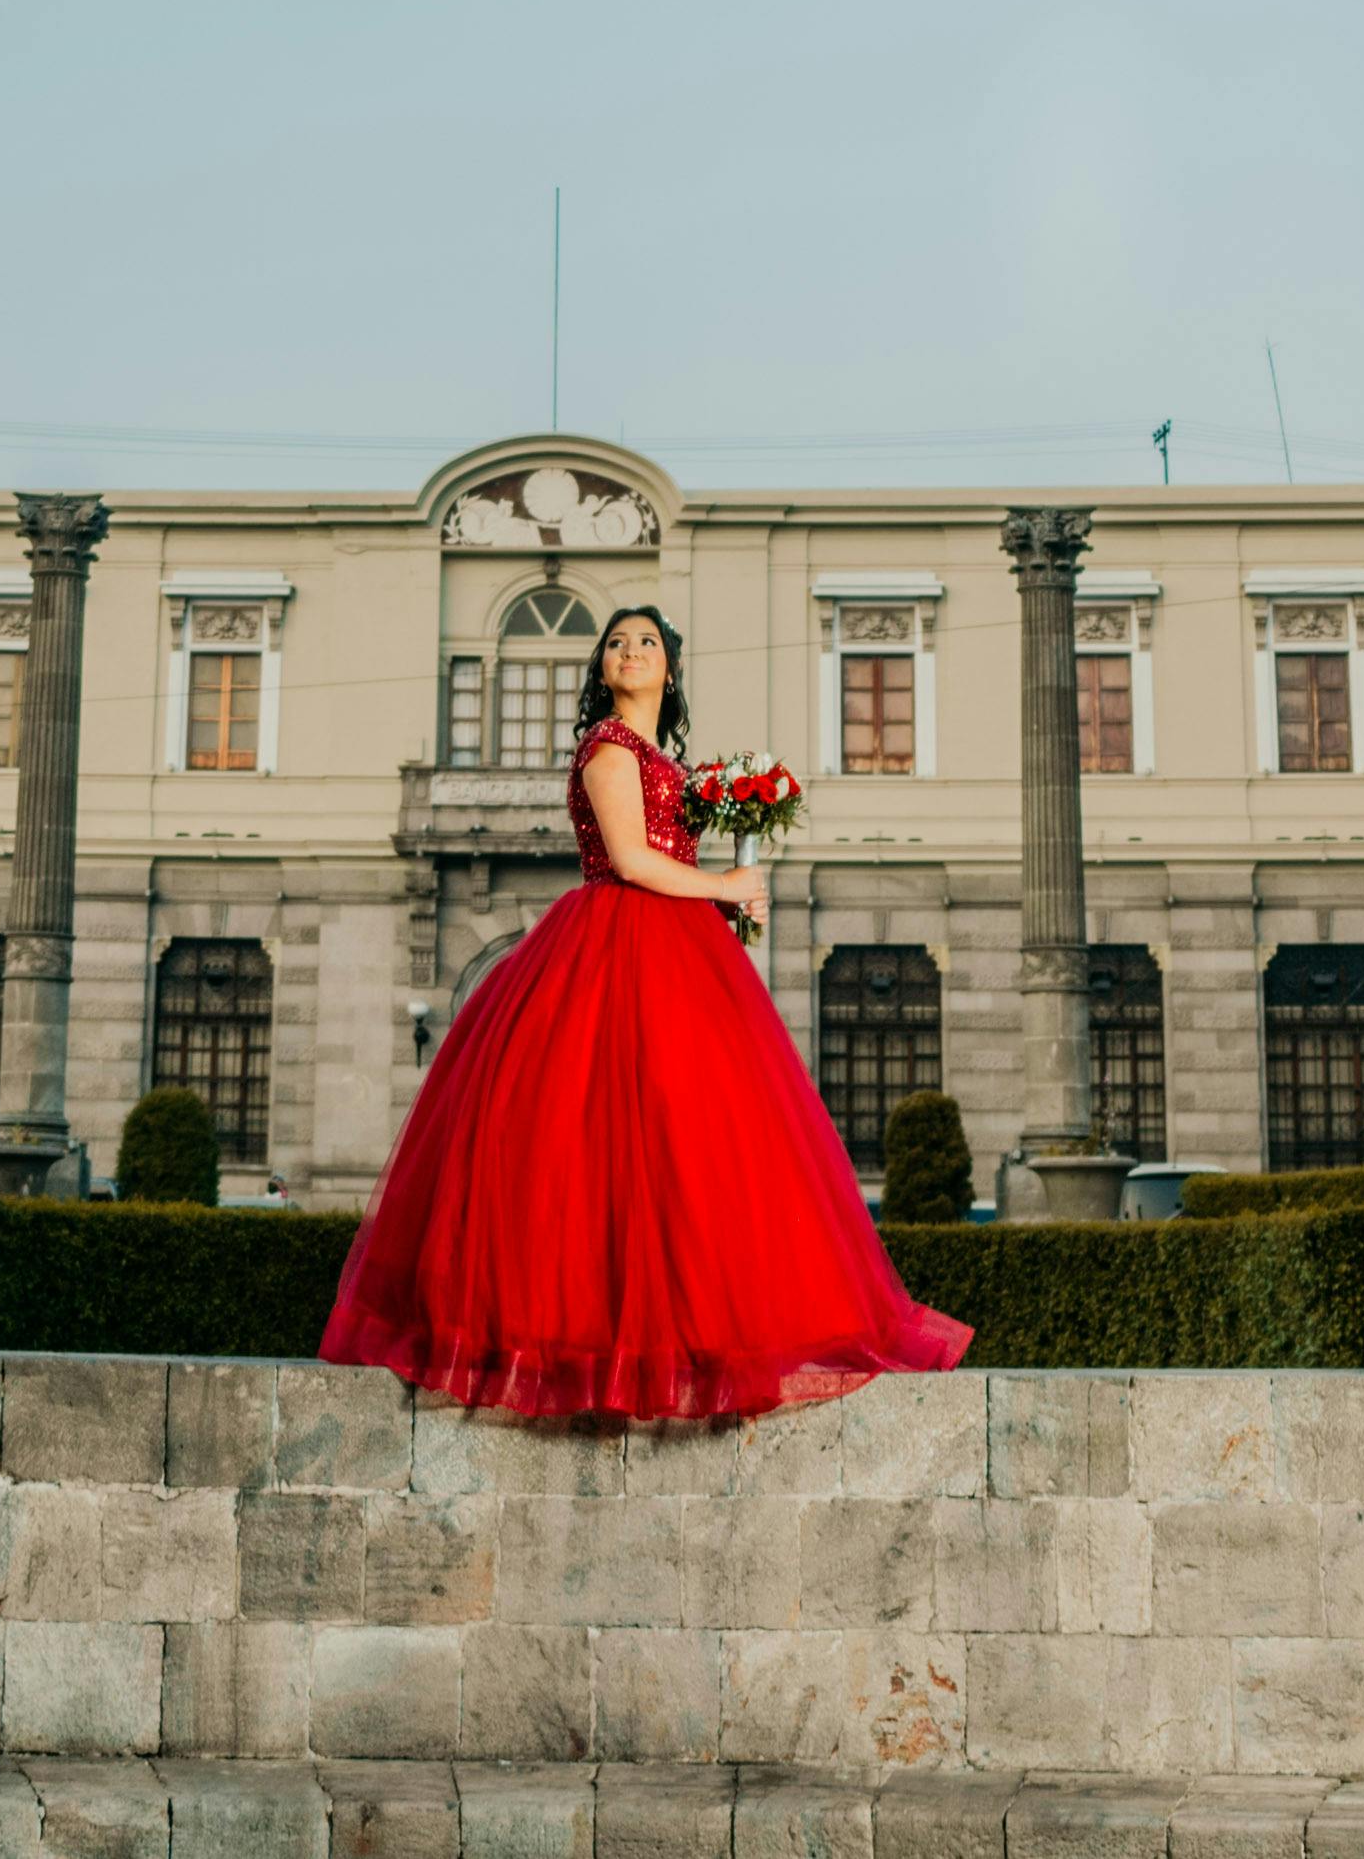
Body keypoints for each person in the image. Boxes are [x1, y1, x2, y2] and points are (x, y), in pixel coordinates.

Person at [319, 603, 970, 1419]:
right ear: (602, 670)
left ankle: (695, 1338)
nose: (631, 652)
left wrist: (723, 894)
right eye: (617, 644)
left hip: (675, 945)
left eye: (647, 643)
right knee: (601, 1138)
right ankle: (595, 1346)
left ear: (670, 668)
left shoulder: (667, 757)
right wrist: (727, 886)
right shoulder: (607, 748)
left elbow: (670, 856)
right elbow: (629, 859)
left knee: (691, 1141)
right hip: (613, 938)